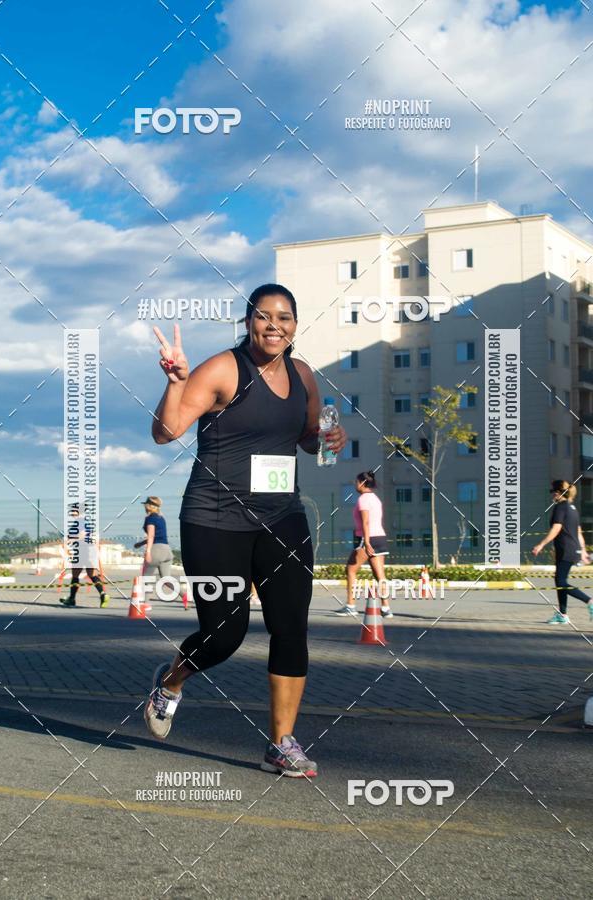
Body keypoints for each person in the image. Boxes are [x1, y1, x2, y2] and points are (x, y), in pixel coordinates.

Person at [143, 284, 347, 777]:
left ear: (296, 325)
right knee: (223, 635)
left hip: (282, 516)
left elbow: (304, 437)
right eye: (264, 316)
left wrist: (326, 437)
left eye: (285, 317)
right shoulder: (223, 369)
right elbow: (165, 432)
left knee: (291, 626)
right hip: (216, 519)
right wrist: (176, 382)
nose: (274, 324)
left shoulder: (302, 375)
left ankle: (282, 743)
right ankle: (171, 682)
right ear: (248, 321)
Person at [532, 480, 593, 624]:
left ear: (559, 493)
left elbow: (556, 528)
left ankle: (589, 601)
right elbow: (578, 532)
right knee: (560, 580)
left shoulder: (560, 507)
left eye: (553, 492)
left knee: (560, 581)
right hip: (572, 549)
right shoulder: (572, 508)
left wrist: (541, 545)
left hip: (565, 549)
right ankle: (563, 614)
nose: (552, 495)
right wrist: (583, 551)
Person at [336, 471, 391, 618]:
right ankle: (386, 608)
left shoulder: (364, 499)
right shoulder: (375, 499)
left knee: (351, 569)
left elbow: (366, 522)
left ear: (362, 483)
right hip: (380, 536)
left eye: (356, 481)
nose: (355, 484)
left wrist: (366, 542)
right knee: (380, 575)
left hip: (368, 538)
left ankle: (350, 606)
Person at [134, 496, 183, 603]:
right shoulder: (161, 518)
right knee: (166, 579)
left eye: (145, 504)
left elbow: (151, 536)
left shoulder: (150, 518)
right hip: (167, 550)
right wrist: (140, 543)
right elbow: (157, 536)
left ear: (149, 506)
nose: (144, 507)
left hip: (157, 550)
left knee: (146, 577)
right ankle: (184, 595)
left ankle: (145, 603)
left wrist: (147, 552)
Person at [60, 503, 109, 608]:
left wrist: (70, 540)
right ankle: (103, 594)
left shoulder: (80, 521)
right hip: (90, 550)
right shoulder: (86, 521)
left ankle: (72, 599)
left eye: (73, 510)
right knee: (92, 575)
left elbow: (82, 535)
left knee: (75, 575)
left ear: (78, 511)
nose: (71, 512)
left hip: (82, 550)